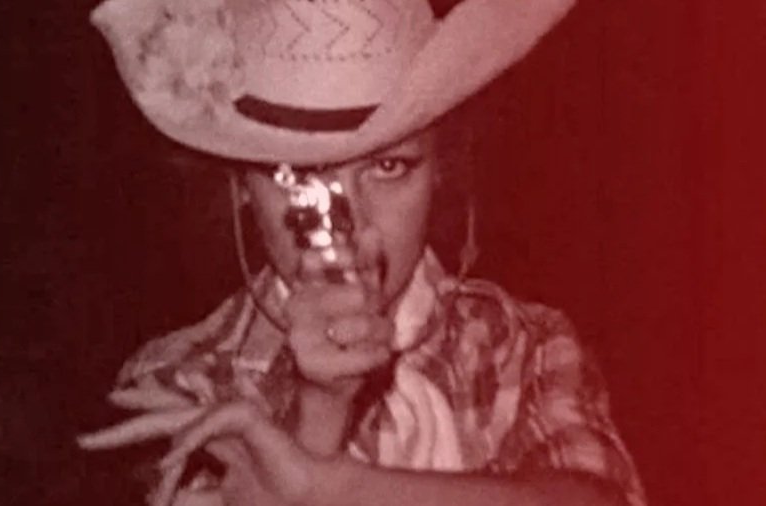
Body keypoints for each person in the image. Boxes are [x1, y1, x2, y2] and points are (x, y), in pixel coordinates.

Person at [77, 0, 647, 505]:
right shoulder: (178, 380)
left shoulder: (518, 346)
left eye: (388, 166)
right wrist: (319, 413)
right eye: (299, 176)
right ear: (242, 185)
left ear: (442, 171)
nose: (348, 226)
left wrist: (331, 488)